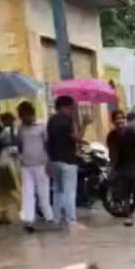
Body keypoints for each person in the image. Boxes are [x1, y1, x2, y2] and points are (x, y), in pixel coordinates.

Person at [107, 109, 135, 228]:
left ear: (124, 120)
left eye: (122, 118)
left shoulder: (131, 132)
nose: (120, 121)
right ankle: (128, 217)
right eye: (117, 119)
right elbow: (112, 152)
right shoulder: (111, 136)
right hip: (120, 168)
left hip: (134, 165)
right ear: (113, 121)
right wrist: (111, 167)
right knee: (125, 195)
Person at [47, 95, 83, 230]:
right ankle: (71, 220)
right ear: (64, 107)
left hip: (54, 160)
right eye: (71, 108)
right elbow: (77, 139)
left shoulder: (51, 121)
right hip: (68, 161)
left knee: (57, 191)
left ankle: (56, 219)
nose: (72, 110)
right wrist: (83, 124)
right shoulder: (68, 121)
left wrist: (49, 161)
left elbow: (49, 142)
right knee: (69, 192)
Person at [17, 101, 53, 233]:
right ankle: (28, 219)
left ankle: (48, 217)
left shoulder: (42, 126)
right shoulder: (20, 128)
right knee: (27, 192)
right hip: (26, 164)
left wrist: (49, 162)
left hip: (41, 163)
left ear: (30, 114)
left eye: (23, 115)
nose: (22, 118)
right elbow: (20, 145)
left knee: (43, 191)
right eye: (20, 116)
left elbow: (48, 145)